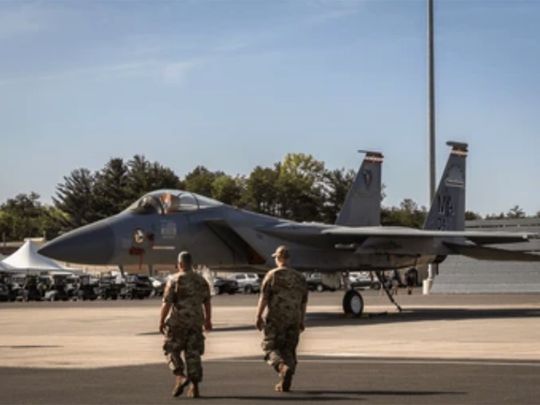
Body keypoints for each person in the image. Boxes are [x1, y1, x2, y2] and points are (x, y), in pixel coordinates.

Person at [255, 245, 308, 392]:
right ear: (289, 259)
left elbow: (264, 298)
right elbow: (303, 302)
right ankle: (286, 378)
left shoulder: (272, 275)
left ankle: (281, 367)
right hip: (294, 318)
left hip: (276, 318)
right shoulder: (300, 278)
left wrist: (258, 316)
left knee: (269, 347)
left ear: (278, 258)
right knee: (289, 349)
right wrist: (302, 320)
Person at [159, 251, 212, 398]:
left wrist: (161, 321)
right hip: (196, 323)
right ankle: (194, 387)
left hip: (178, 323)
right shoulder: (201, 280)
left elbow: (167, 303)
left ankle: (180, 375)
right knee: (193, 354)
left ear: (180, 264)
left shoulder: (174, 280)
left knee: (170, 349)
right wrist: (208, 320)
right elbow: (207, 302)